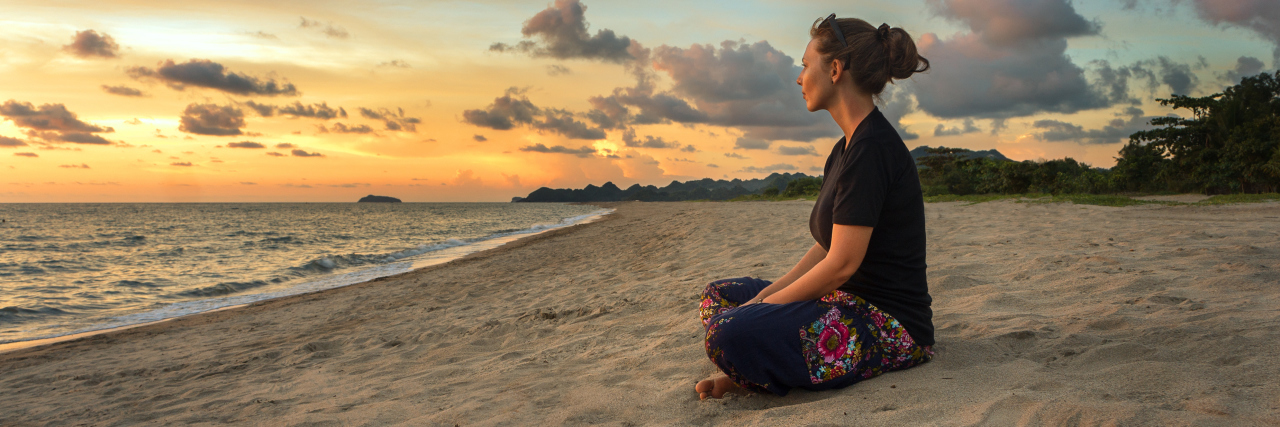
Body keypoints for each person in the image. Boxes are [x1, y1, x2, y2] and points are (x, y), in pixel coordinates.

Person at [695, 14, 934, 400]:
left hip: (886, 325)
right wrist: (762, 300)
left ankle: (752, 374)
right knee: (719, 297)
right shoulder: (845, 148)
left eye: (806, 65)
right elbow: (826, 248)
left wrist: (760, 311)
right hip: (839, 302)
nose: (799, 77)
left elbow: (841, 264)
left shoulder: (872, 148)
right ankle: (757, 367)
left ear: (835, 69)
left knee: (728, 332)